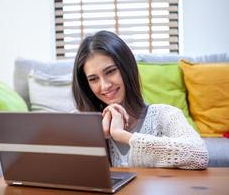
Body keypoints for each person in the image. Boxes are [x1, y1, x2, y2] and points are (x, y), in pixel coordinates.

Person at [72, 30, 208, 169]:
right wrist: (95, 136)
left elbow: (199, 156)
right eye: (93, 79)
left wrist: (122, 135)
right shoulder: (81, 121)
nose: (105, 85)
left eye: (111, 71)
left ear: (127, 68)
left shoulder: (164, 114)